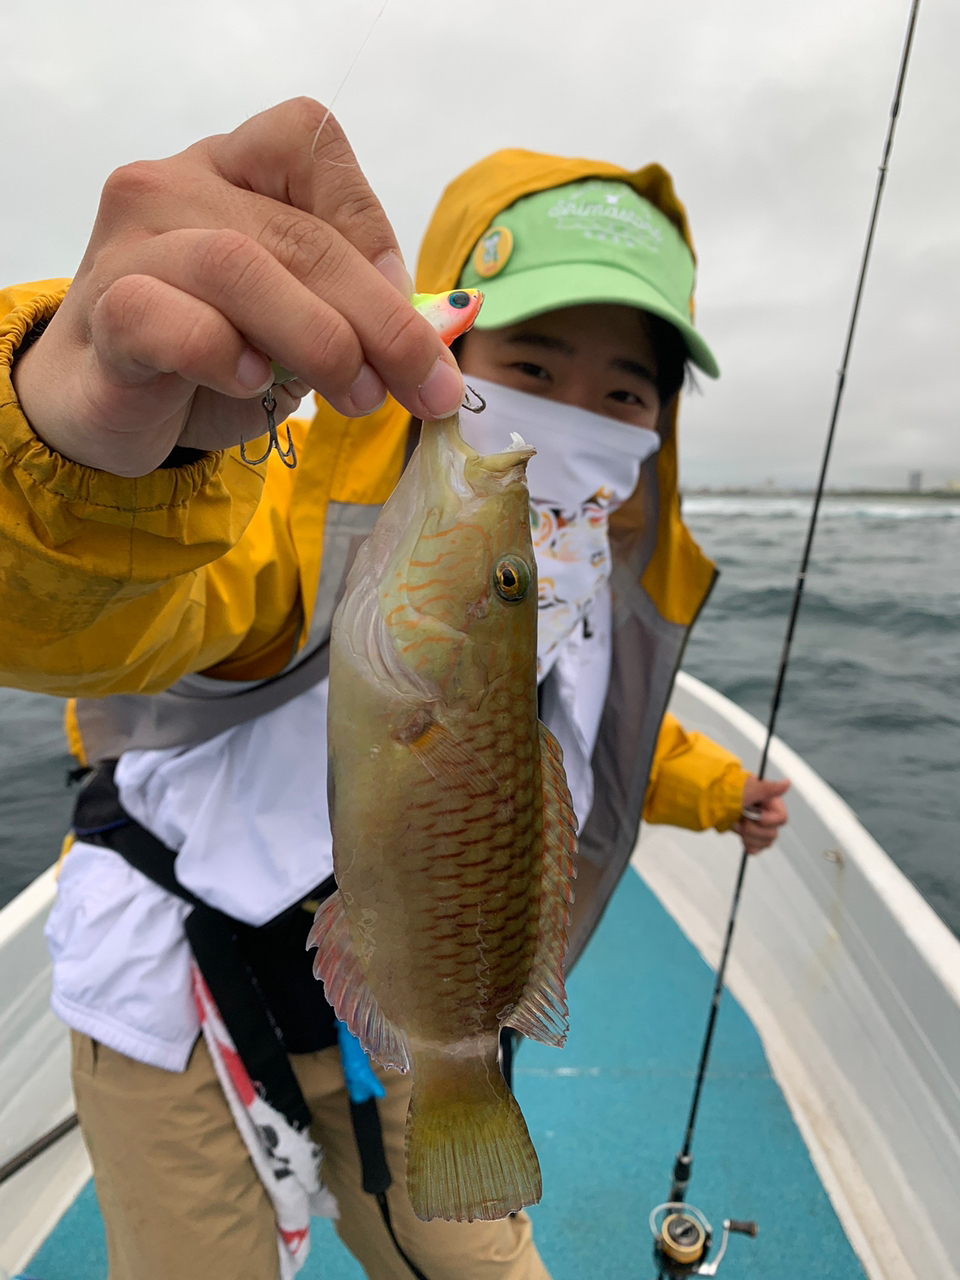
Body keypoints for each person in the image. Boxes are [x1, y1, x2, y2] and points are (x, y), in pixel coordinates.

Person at [0, 99, 788, 1280]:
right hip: (177, 986)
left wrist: (723, 792)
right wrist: (105, 463)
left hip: (423, 993)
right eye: (531, 363)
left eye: (627, 390)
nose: (576, 414)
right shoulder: (289, 504)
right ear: (446, 348)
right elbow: (107, 620)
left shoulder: (599, 566)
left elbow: (582, 743)